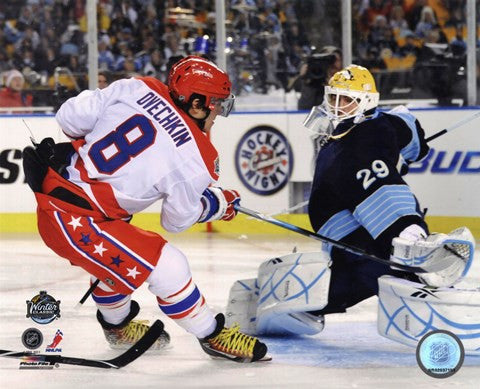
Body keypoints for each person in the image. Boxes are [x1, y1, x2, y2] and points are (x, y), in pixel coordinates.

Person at [22, 56, 270, 363]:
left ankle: (117, 328)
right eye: (217, 103)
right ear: (196, 103)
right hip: (77, 221)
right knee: (169, 265)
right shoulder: (199, 158)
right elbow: (176, 220)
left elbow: (69, 119)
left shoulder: (136, 86)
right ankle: (211, 335)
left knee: (119, 262)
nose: (219, 111)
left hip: (60, 198)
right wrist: (216, 204)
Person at [226, 64, 475, 340]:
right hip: (344, 227)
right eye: (334, 97)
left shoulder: (375, 129)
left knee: (371, 268)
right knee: (375, 264)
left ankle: (313, 299)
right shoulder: (344, 145)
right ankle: (410, 244)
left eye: (346, 99)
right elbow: (408, 128)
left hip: (350, 230)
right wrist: (409, 153)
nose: (337, 105)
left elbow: (408, 129)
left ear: (366, 102)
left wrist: (408, 152)